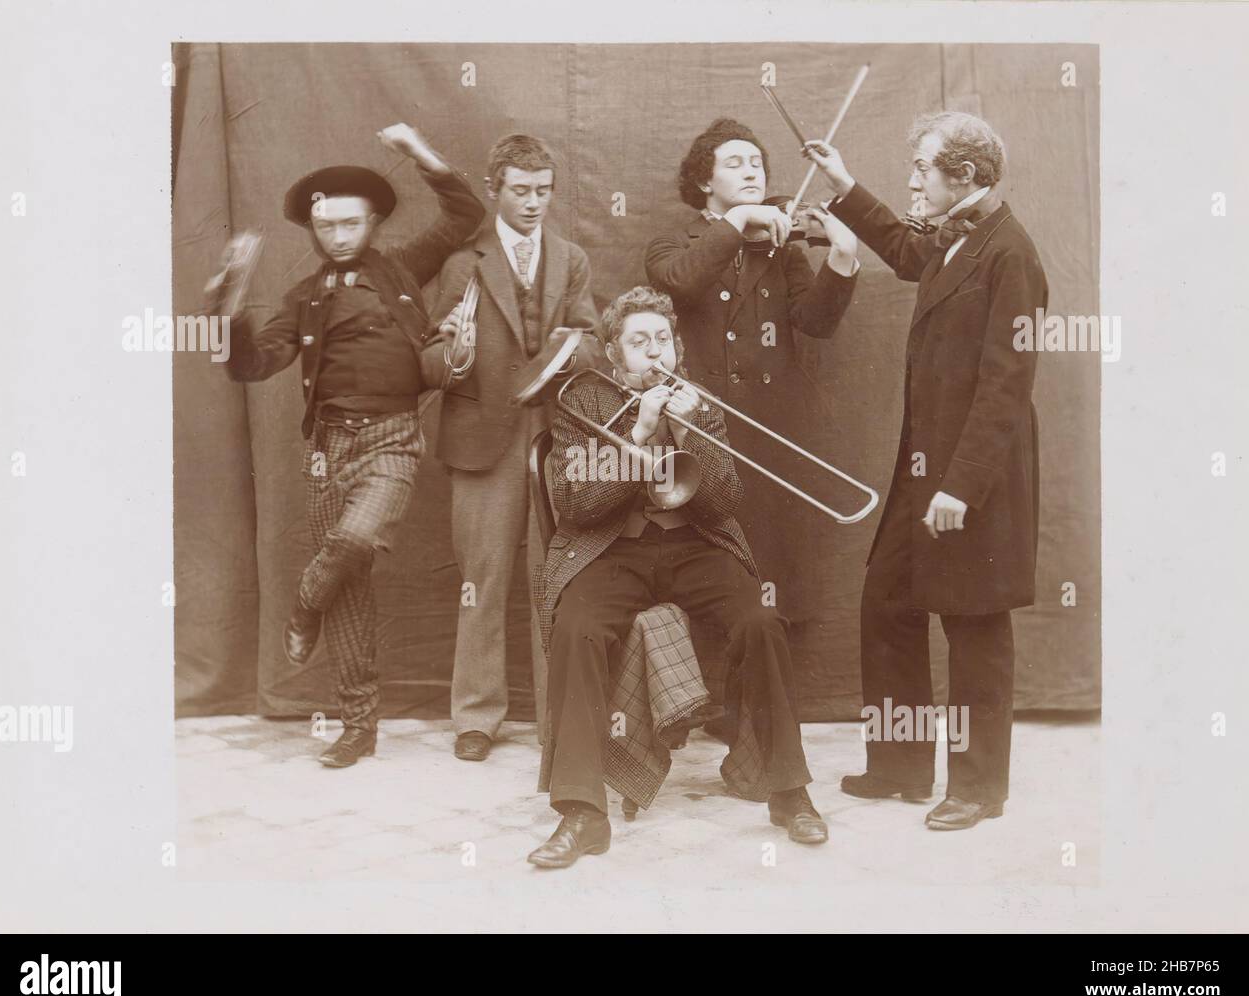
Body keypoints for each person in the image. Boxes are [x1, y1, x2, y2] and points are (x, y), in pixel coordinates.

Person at [527, 286, 828, 869]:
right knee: (577, 628)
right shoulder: (583, 401)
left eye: (662, 340)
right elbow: (578, 506)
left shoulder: (700, 401)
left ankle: (789, 792)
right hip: (611, 547)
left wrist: (690, 433)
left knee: (760, 622)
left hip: (694, 543)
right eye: (639, 342)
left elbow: (724, 503)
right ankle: (583, 812)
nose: (654, 352)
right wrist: (636, 437)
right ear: (615, 354)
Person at [803, 111, 1046, 829]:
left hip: (975, 479)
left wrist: (958, 489)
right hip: (925, 470)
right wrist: (845, 185)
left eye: (921, 168)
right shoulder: (955, 234)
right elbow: (909, 254)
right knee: (888, 601)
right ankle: (902, 766)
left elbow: (1006, 388)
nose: (912, 178)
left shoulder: (1011, 255)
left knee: (973, 625)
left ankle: (977, 788)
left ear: (964, 177)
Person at [218, 123, 485, 768]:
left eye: (351, 224)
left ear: (372, 223)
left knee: (354, 542)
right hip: (325, 451)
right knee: (350, 589)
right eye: (328, 227)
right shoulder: (303, 297)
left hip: (393, 439)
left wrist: (420, 153)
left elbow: (466, 214)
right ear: (314, 231)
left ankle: (302, 603)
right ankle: (358, 725)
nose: (340, 236)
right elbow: (254, 364)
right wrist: (226, 315)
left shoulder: (400, 269)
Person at [644, 117, 860, 737]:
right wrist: (738, 226)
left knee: (772, 571)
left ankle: (753, 716)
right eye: (736, 162)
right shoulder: (674, 244)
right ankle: (694, 708)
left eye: (758, 164)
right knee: (711, 567)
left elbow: (814, 324)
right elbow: (681, 281)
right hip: (700, 434)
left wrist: (840, 258)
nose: (753, 171)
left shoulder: (784, 248)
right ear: (703, 179)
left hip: (773, 434)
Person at [419, 134, 602, 762]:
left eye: (543, 191)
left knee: (552, 579)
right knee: (483, 579)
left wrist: (568, 349)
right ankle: (476, 717)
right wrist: (452, 350)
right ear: (495, 190)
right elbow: (429, 358)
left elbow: (593, 342)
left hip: (553, 438)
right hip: (480, 442)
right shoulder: (460, 261)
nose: (533, 203)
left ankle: (559, 713)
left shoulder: (572, 257)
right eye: (521, 191)